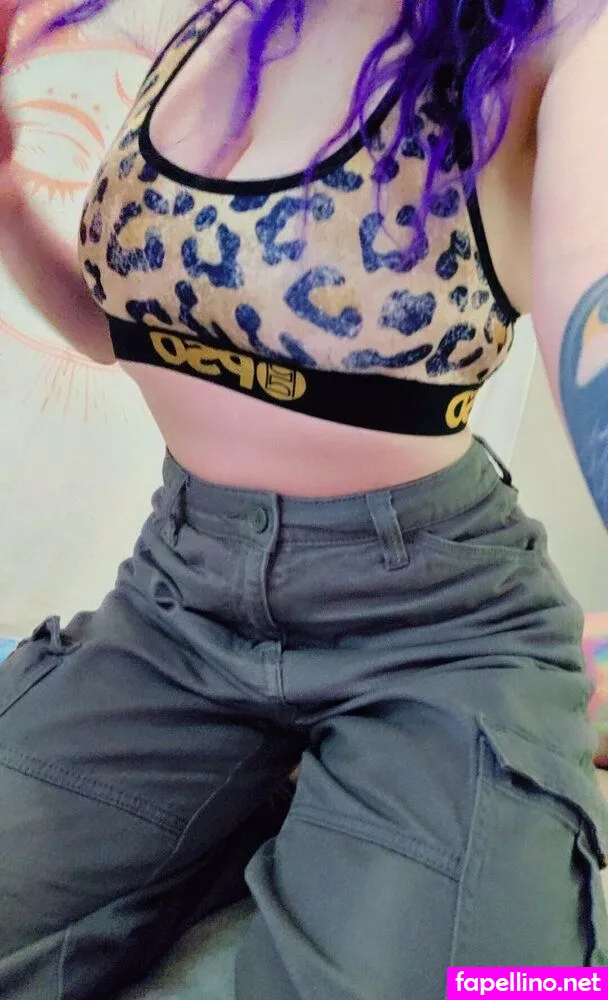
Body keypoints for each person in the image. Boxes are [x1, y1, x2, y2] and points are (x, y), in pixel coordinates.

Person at [0, 0, 607, 996]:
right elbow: (128, 332)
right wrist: (5, 195)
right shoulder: (216, 29)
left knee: (493, 982)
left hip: (434, 629)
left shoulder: (558, 46)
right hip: (176, 606)